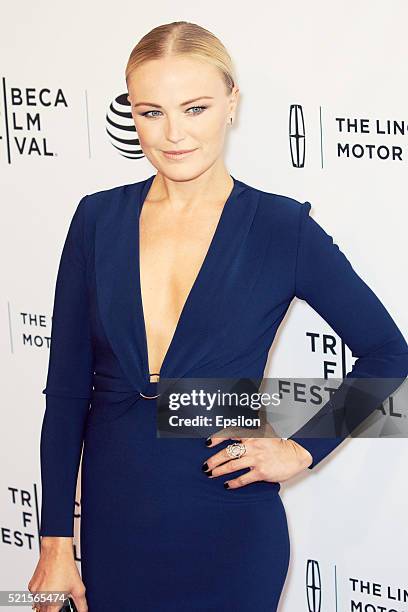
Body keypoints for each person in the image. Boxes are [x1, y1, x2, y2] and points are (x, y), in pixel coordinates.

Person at [28, 20, 408, 612]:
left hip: (229, 523)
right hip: (114, 524)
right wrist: (55, 541)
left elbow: (389, 353)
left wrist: (301, 448)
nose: (174, 134)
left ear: (232, 103)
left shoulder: (282, 228)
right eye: (151, 111)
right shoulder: (96, 220)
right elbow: (68, 390)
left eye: (195, 107)